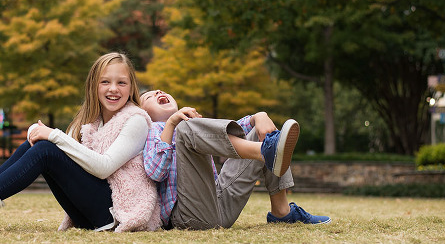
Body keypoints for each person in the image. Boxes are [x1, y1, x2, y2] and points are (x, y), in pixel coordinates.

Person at [0, 53, 160, 234]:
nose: (113, 89)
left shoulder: (135, 119)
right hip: (90, 211)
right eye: (105, 81)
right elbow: (71, 156)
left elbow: (104, 168)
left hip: (116, 214)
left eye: (121, 82)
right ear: (93, 86)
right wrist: (41, 134)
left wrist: (53, 135)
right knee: (34, 147)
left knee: (47, 150)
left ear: (131, 87)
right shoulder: (92, 122)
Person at [140, 89, 331, 230]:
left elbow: (234, 132)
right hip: (190, 215)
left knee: (261, 132)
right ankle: (266, 152)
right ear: (143, 112)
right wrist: (172, 124)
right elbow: (156, 173)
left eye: (160, 91)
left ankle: (282, 213)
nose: (157, 92)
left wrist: (258, 117)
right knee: (186, 129)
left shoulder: (189, 122)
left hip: (219, 204)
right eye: (148, 96)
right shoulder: (151, 132)